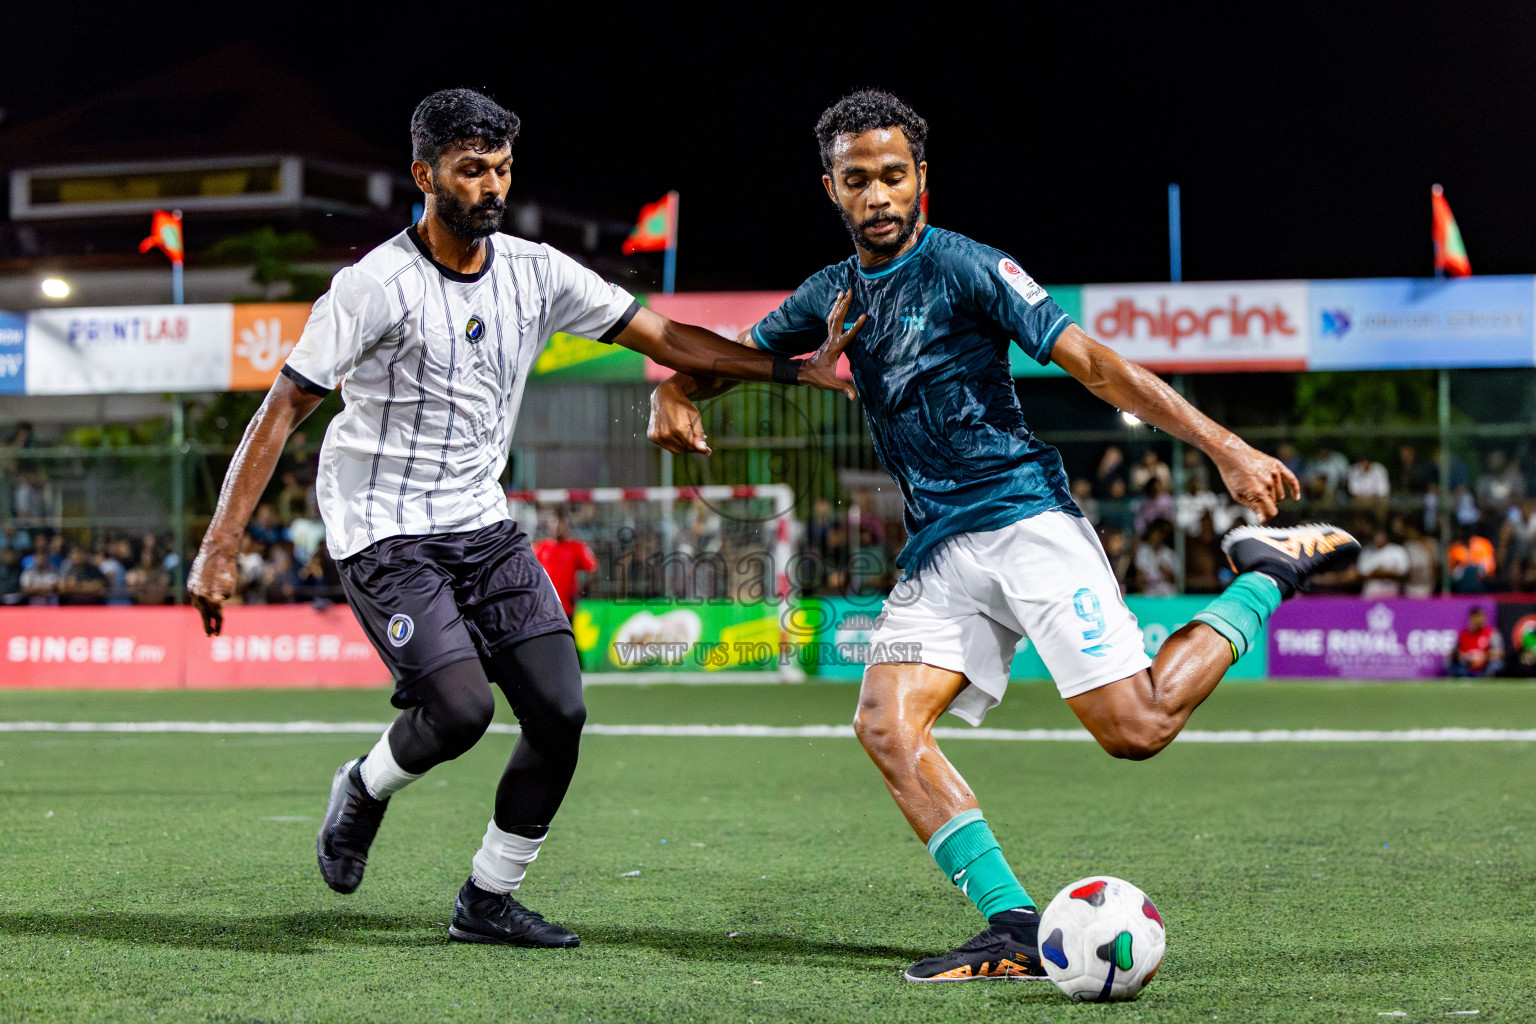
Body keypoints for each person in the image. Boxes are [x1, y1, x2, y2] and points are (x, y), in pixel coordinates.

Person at [646, 89, 1359, 983]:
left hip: (1024, 519)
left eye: (894, 177)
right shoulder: (828, 295)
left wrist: (1223, 444)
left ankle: (1265, 574)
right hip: (936, 548)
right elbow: (727, 356)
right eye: (857, 179)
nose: (877, 196)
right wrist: (673, 391)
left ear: (922, 181)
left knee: (1136, 728)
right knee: (884, 725)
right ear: (830, 186)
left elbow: (1094, 365)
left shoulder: (973, 268)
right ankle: (1016, 927)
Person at [186, 89, 856, 951]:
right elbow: (279, 412)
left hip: (482, 523)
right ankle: (363, 785)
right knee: (460, 712)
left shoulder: (538, 272)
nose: (491, 186)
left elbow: (668, 337)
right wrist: (219, 548)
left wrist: (795, 371)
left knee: (560, 711)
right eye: (471, 170)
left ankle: (488, 898)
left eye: (501, 168)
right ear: (425, 175)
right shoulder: (370, 288)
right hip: (384, 529)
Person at [533, 512, 598, 621]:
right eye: (555, 522)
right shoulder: (540, 548)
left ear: (567, 525)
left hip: (567, 607)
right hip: (544, 607)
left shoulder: (576, 547)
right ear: (548, 524)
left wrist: (584, 590)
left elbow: (592, 569)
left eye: (561, 523)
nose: (558, 526)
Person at [1448, 606, 1504, 678]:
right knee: (1449, 663)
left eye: (1481, 618)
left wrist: (1484, 655)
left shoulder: (1491, 633)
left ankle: (1486, 678)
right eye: (1476, 618)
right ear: (1471, 619)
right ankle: (1464, 678)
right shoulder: (1463, 634)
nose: (1479, 621)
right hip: (1467, 665)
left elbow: (1500, 653)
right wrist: (1463, 655)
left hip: (1485, 665)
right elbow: (1452, 653)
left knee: (1497, 664)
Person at [1355, 526, 1410, 598]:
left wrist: (1384, 572)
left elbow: (1404, 572)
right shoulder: (1366, 552)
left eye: (1380, 536)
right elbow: (1361, 572)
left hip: (1392, 594)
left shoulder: (1397, 551)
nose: (1378, 539)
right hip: (1370, 595)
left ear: (1386, 537)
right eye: (1376, 536)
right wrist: (1377, 573)